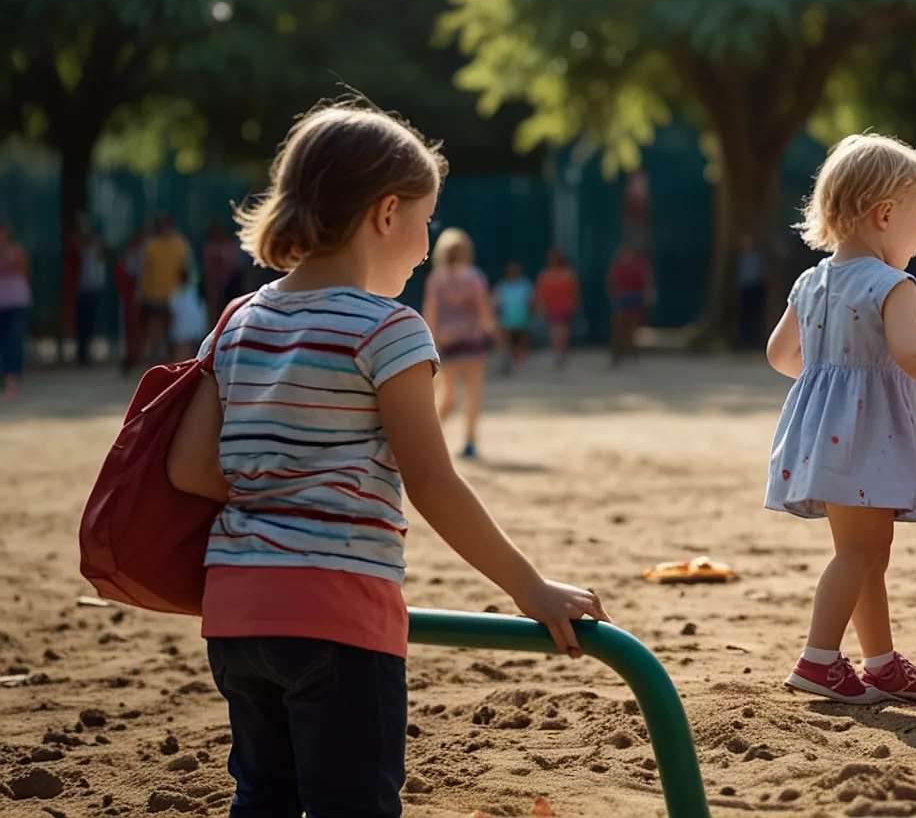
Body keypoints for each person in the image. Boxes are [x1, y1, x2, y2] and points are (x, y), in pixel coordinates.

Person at [163, 102, 606, 816]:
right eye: (426, 221)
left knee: (261, 798)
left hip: (237, 615)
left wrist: (280, 486)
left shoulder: (239, 319)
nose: (428, 246)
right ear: (386, 213)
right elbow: (432, 482)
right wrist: (530, 588)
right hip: (337, 613)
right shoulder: (388, 330)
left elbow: (188, 468)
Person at [765, 134, 916, 705]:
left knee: (868, 555)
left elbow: (781, 357)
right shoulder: (892, 284)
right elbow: (912, 354)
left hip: (823, 438)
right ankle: (819, 659)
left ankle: (879, 663)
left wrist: (831, 374)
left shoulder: (811, 282)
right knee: (859, 554)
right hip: (865, 440)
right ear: (884, 214)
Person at [424, 227, 497, 458]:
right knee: (473, 395)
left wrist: (429, 343)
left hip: (447, 344)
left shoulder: (436, 279)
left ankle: (427, 439)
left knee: (447, 396)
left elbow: (431, 313)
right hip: (472, 342)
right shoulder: (474, 276)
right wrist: (493, 332)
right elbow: (484, 310)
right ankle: (470, 441)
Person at [137, 214, 192, 367]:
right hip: (154, 297)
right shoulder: (150, 246)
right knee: (155, 331)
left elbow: (186, 269)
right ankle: (156, 362)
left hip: (175, 297)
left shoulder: (180, 244)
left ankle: (171, 363)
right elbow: (144, 272)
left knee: (174, 332)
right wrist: (142, 292)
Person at [605, 243, 653, 366]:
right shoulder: (618, 264)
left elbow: (647, 279)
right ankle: (618, 350)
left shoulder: (640, 264)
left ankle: (630, 348)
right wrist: (613, 293)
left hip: (635, 295)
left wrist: (647, 295)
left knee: (633, 324)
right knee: (619, 323)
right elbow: (612, 278)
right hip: (622, 296)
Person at [534, 249, 579, 370]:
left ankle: (561, 352)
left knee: (564, 332)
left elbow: (574, 291)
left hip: (565, 307)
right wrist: (540, 307)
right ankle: (558, 353)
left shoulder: (568, 274)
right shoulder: (545, 274)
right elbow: (540, 292)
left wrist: (573, 305)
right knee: (554, 332)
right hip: (551, 308)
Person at [0, 223, 29, 400]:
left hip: (17, 302)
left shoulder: (18, 252)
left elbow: (25, 270)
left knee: (14, 342)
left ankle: (13, 380)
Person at [75, 225, 108, 365]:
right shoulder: (82, 252)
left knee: (90, 323)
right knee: (82, 323)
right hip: (83, 290)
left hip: (94, 290)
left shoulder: (97, 253)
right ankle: (82, 353)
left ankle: (86, 352)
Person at [494, 260, 535, 373]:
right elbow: (496, 303)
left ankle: (519, 361)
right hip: (506, 320)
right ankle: (506, 361)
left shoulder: (526, 285)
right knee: (506, 341)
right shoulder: (502, 286)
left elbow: (531, 302)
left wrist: (532, 313)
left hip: (522, 319)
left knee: (520, 341)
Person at [204, 220, 247, 318]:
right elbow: (210, 272)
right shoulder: (211, 249)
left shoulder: (231, 245)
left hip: (233, 283)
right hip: (217, 286)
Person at [115, 229, 144, 373]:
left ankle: (135, 356)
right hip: (130, 297)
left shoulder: (144, 253)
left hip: (141, 296)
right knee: (129, 327)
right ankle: (129, 357)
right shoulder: (130, 256)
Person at [167, 265, 209, 361]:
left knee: (187, 352)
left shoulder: (190, 293)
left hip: (187, 330)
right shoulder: (180, 294)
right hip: (185, 330)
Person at [738, 235, 767, 348]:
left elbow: (763, 271)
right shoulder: (741, 257)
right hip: (745, 288)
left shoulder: (758, 256)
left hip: (756, 287)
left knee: (756, 314)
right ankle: (745, 339)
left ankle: (755, 339)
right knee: (745, 314)